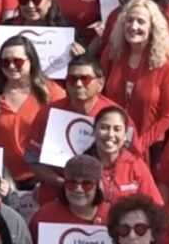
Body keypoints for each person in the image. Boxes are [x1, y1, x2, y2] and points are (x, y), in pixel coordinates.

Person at [0, 35, 63, 203]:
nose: (12, 66)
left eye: (18, 61)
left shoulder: (51, 92)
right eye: (5, 62)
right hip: (4, 178)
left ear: (31, 61)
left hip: (41, 177)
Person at [100, 0, 169, 161]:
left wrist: (139, 143)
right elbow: (100, 94)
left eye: (141, 22)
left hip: (149, 145)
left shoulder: (165, 62)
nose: (134, 27)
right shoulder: (112, 53)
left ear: (152, 27)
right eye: (129, 20)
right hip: (110, 142)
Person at [24, 53, 111, 193]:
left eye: (85, 79)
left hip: (103, 197)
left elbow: (129, 163)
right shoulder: (48, 113)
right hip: (56, 195)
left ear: (100, 83)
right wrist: (63, 184)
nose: (78, 84)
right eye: (72, 79)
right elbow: (32, 159)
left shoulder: (115, 116)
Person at [88, 104, 162, 203]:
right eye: (104, 128)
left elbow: (155, 205)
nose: (110, 134)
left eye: (117, 129)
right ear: (93, 131)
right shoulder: (82, 164)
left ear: (125, 135)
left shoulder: (135, 165)